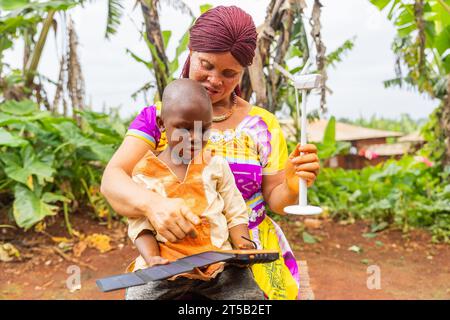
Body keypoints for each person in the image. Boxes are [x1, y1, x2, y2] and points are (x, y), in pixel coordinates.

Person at [101, 5, 320, 300]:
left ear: (243, 71)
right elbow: (113, 179)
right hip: (172, 254)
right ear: (190, 52)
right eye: (206, 64)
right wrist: (152, 205)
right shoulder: (158, 117)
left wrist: (293, 183)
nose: (215, 80)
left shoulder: (262, 125)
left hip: (245, 254)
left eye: (229, 73)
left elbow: (276, 201)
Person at [125, 79, 264, 300]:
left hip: (218, 264)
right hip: (167, 268)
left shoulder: (215, 164)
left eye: (204, 129)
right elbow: (139, 225)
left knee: (249, 296)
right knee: (138, 295)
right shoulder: (145, 173)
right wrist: (153, 260)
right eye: (184, 128)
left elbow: (234, 209)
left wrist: (243, 243)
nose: (195, 137)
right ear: (162, 124)